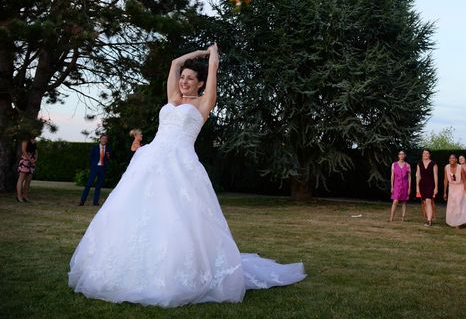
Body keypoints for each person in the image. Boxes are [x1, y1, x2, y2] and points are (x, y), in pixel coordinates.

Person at [69, 45, 305, 307]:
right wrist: (198, 55)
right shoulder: (172, 98)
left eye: (190, 79)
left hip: (180, 163)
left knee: (177, 217)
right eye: (183, 78)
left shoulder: (204, 103)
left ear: (200, 84)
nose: (183, 81)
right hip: (150, 159)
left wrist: (213, 56)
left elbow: (213, 71)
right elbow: (173, 63)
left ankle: (177, 271)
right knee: (139, 213)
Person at [78, 134, 112, 206]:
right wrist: (92, 165)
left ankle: (95, 202)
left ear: (107, 140)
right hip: (95, 168)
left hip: (102, 169)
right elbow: (90, 157)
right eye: (103, 138)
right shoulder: (94, 147)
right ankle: (82, 201)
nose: (104, 140)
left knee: (98, 186)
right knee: (88, 185)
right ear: (100, 139)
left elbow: (109, 159)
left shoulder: (109, 148)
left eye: (105, 139)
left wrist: (107, 163)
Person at [443, 154, 466, 228]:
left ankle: (459, 223)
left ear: (456, 160)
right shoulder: (446, 167)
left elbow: (464, 181)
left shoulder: (460, 168)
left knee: (459, 204)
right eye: (450, 158)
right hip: (451, 188)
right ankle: (453, 221)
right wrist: (445, 192)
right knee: (452, 205)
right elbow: (445, 180)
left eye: (453, 158)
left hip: (460, 187)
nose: (451, 159)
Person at [416, 149, 438, 226]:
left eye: (427, 153)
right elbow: (418, 176)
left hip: (430, 184)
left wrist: (436, 187)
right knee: (424, 202)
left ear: (429, 155)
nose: (425, 154)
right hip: (422, 185)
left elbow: (435, 176)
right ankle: (429, 218)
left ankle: (429, 221)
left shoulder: (433, 164)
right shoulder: (419, 163)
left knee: (429, 201)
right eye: (424, 153)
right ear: (422, 154)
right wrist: (417, 188)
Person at [389, 150, 411, 222]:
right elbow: (392, 176)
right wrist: (392, 186)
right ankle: (391, 218)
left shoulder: (407, 165)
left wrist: (409, 188)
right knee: (395, 201)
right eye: (400, 154)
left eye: (403, 154)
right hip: (396, 185)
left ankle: (402, 218)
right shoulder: (394, 164)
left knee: (404, 202)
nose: (401, 156)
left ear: (405, 156)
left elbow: (409, 178)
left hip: (405, 185)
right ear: (398, 155)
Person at [16, 134, 37, 202]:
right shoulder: (25, 140)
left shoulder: (34, 141)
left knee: (28, 180)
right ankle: (19, 197)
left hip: (32, 162)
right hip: (25, 161)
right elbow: (24, 151)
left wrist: (35, 159)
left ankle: (25, 196)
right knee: (21, 180)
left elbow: (36, 152)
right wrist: (30, 159)